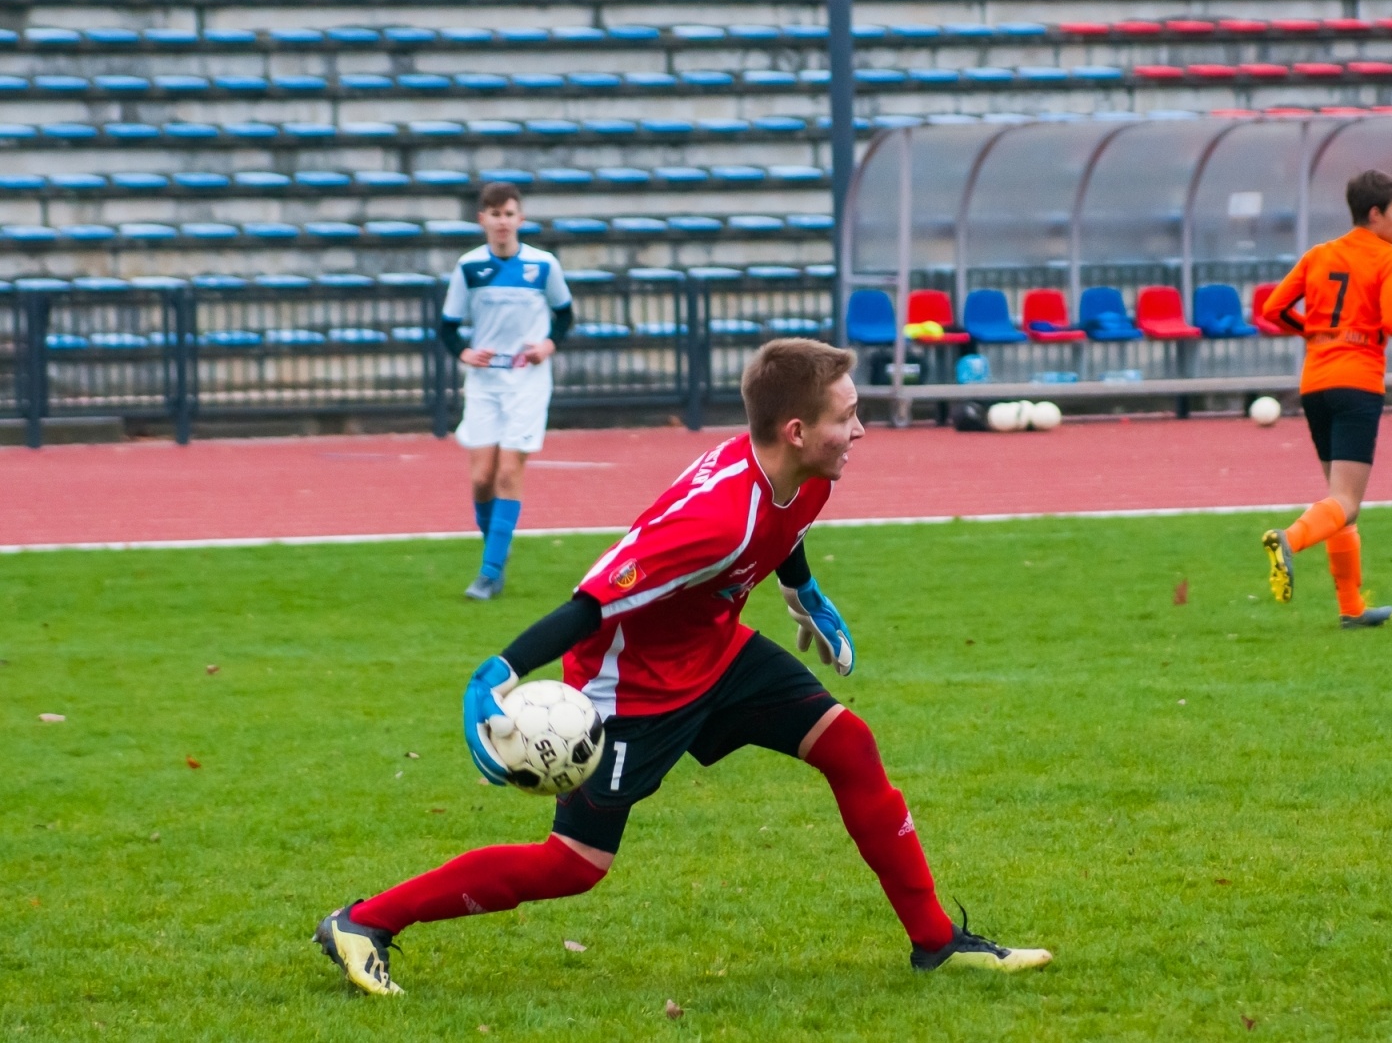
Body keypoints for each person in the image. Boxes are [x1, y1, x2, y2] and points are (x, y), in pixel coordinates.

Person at [314, 339, 1052, 995]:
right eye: (847, 416)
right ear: (797, 430)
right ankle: (363, 923)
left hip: (716, 651)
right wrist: (497, 670)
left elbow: (786, 518)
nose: (860, 429)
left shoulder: (807, 470)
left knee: (849, 746)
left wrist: (801, 591)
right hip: (632, 686)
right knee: (575, 865)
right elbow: (596, 598)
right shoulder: (712, 521)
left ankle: (937, 945)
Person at [1258, 170, 1392, 629]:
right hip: (1358, 383)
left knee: (1338, 500)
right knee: (1348, 502)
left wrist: (1316, 334)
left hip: (1315, 382)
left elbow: (1273, 309)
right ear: (1375, 214)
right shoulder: (1390, 259)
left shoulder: (1319, 254)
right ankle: (1287, 539)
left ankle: (1351, 608)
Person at [439, 182, 574, 602]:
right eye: (495, 215)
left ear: (520, 219)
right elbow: (447, 326)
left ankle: (489, 573)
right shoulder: (469, 268)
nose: (502, 222)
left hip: (527, 381)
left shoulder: (543, 266)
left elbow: (564, 314)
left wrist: (547, 345)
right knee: (481, 478)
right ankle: (497, 542)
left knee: (507, 472)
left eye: (509, 214)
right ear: (483, 219)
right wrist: (465, 353)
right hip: (485, 382)